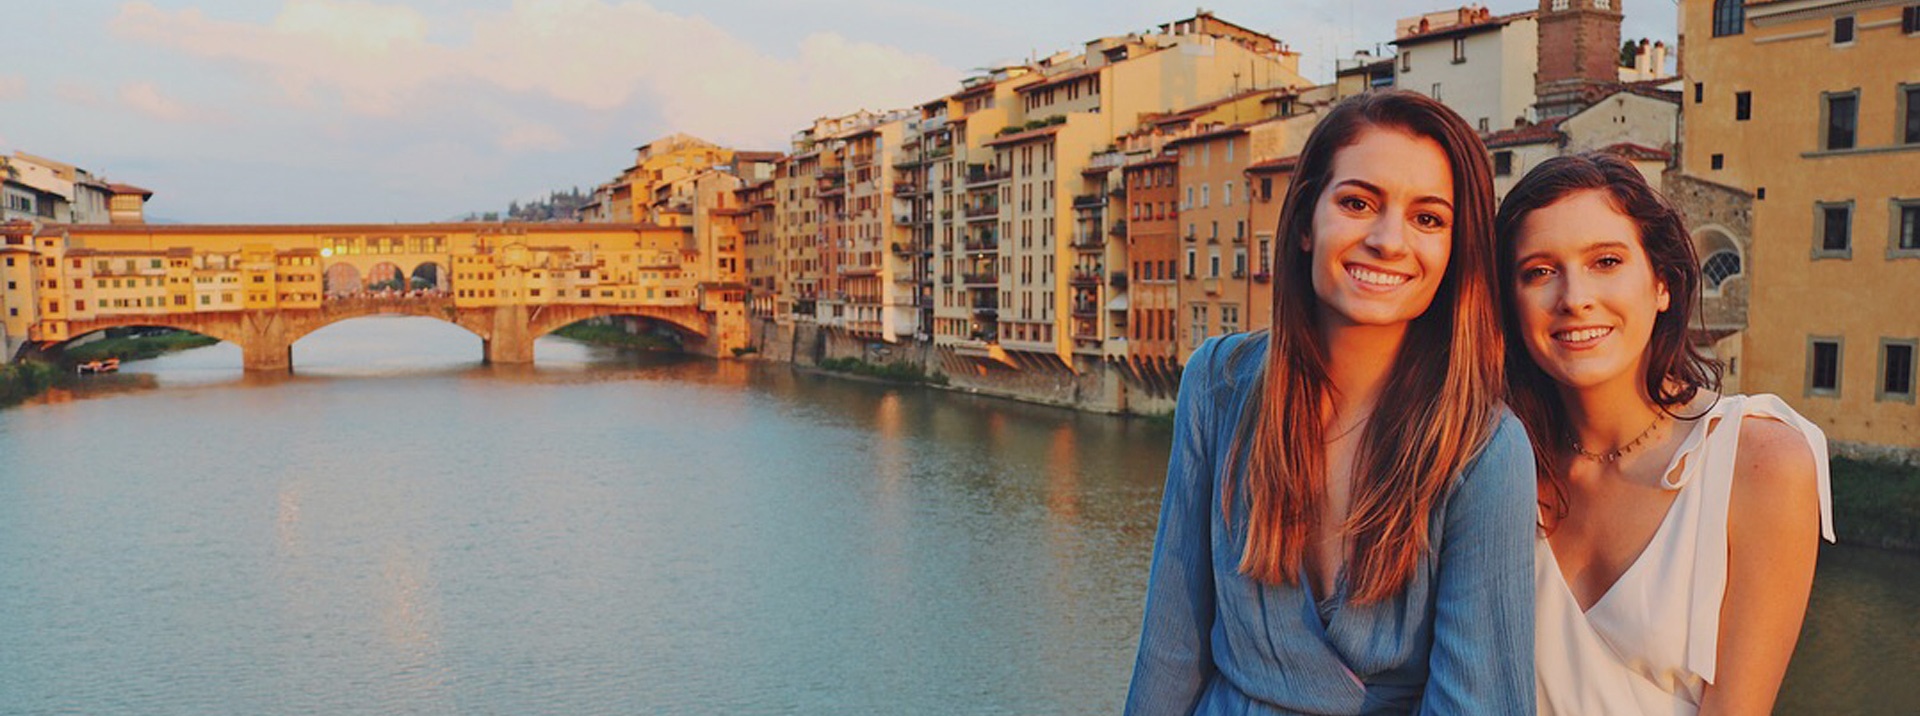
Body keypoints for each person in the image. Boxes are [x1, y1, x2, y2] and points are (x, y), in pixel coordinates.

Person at [1125, 90, 1536, 715]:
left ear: (1456, 253)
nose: (1388, 240)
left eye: (1428, 219)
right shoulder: (1218, 382)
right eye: (1357, 203)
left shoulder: (1486, 451)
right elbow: (1171, 645)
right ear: (1302, 226)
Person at [1494, 153, 1834, 715]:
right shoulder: (1496, 462)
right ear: (1512, 304)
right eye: (1539, 271)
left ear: (1662, 285)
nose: (1574, 297)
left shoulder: (1759, 461)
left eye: (1605, 261)